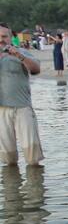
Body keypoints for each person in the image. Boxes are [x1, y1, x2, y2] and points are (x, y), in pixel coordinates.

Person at [0, 23, 44, 166]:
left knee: (33, 159)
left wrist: (18, 55)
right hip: (1, 111)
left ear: (11, 38)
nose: (1, 39)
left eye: (4, 36)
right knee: (8, 159)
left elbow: (36, 69)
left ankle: (35, 186)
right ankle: (12, 188)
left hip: (22, 108)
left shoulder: (21, 52)